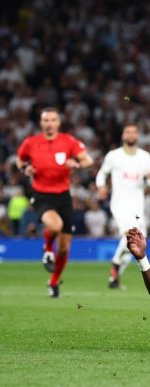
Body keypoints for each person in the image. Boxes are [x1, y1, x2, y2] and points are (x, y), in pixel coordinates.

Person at [16, 107, 94, 297]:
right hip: (41, 194)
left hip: (63, 196)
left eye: (53, 120)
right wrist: (26, 168)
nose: (49, 123)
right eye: (45, 120)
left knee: (66, 247)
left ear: (59, 122)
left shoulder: (68, 141)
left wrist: (77, 164)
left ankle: (53, 282)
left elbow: (88, 161)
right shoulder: (31, 143)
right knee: (55, 225)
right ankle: (48, 248)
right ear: (41, 123)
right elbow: (20, 161)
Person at [95, 123, 150, 289]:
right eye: (127, 132)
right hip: (120, 204)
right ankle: (115, 265)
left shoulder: (145, 157)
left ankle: (114, 277)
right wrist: (101, 186)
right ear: (123, 135)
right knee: (132, 236)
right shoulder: (114, 156)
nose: (131, 135)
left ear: (137, 136)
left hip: (138, 206)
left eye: (134, 132)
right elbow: (102, 173)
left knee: (138, 241)